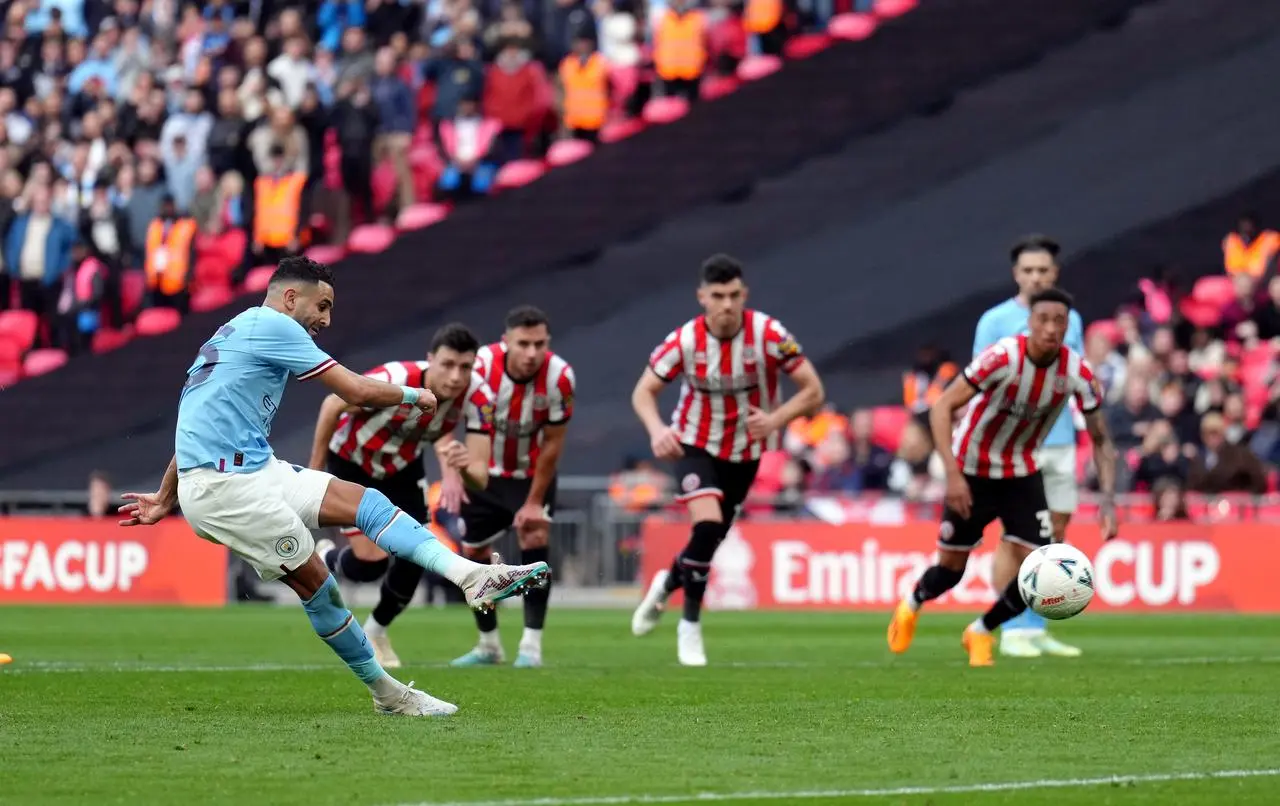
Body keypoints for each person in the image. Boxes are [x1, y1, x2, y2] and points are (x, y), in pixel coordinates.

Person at [116, 257, 548, 717]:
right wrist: (415, 396)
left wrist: (166, 496)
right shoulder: (275, 327)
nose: (326, 318)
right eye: (321, 306)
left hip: (253, 470)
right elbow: (355, 393)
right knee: (319, 587)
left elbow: (196, 422)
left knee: (366, 502)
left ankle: (471, 576)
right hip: (225, 489)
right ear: (289, 298)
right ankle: (390, 695)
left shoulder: (235, 331)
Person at [887, 288, 1119, 667]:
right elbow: (942, 406)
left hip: (1021, 472)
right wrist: (952, 475)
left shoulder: (1076, 373)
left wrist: (1108, 499)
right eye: (1042, 319)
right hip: (972, 469)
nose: (1050, 328)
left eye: (1058, 321)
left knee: (1044, 571)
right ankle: (911, 605)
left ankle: (979, 631)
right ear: (1029, 322)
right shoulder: (1003, 357)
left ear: (1067, 326)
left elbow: (1101, 439)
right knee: (950, 571)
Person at [629, 254, 825, 666]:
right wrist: (657, 430)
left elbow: (813, 391)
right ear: (702, 297)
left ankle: (667, 582)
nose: (726, 305)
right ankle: (690, 629)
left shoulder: (768, 334)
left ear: (744, 295)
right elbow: (643, 391)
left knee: (709, 542)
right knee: (708, 524)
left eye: (734, 295)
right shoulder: (684, 341)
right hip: (694, 444)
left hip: (745, 452)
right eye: (717, 296)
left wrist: (775, 419)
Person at [308, 322, 497, 669]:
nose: (456, 377)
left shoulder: (480, 398)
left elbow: (480, 478)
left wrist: (464, 466)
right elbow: (332, 405)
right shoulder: (395, 376)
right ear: (430, 360)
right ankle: (330, 555)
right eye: (448, 365)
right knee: (369, 565)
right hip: (352, 461)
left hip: (403, 467)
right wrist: (316, 469)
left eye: (465, 367)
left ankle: (376, 631)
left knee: (418, 553)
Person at [971, 234, 1086, 658]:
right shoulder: (994, 322)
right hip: (1014, 447)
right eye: (1028, 270)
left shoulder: (1071, 321)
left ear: (1055, 273)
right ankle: (1012, 627)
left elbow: (1076, 380)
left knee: (1054, 537)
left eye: (1043, 270)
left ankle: (1037, 624)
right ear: (1016, 274)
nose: (1036, 277)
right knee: (1015, 538)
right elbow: (978, 385)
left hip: (1059, 442)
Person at [449, 306, 575, 669]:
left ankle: (531, 647)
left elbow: (553, 442)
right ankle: (489, 645)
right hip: (483, 476)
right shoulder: (480, 367)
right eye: (523, 344)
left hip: (530, 474)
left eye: (539, 344)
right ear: (506, 342)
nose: (532, 353)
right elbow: (449, 416)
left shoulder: (560, 377)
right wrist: (455, 471)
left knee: (534, 548)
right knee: (474, 556)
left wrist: (534, 501)